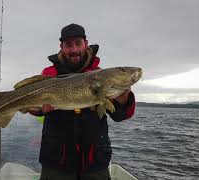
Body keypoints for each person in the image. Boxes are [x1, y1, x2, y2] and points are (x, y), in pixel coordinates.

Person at [30, 23, 136, 180]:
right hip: (57, 160)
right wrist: (38, 109)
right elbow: (32, 107)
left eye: (78, 43)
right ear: (61, 46)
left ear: (86, 44)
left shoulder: (102, 77)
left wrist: (123, 99)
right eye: (68, 45)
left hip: (94, 160)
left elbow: (120, 116)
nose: (74, 50)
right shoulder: (49, 74)